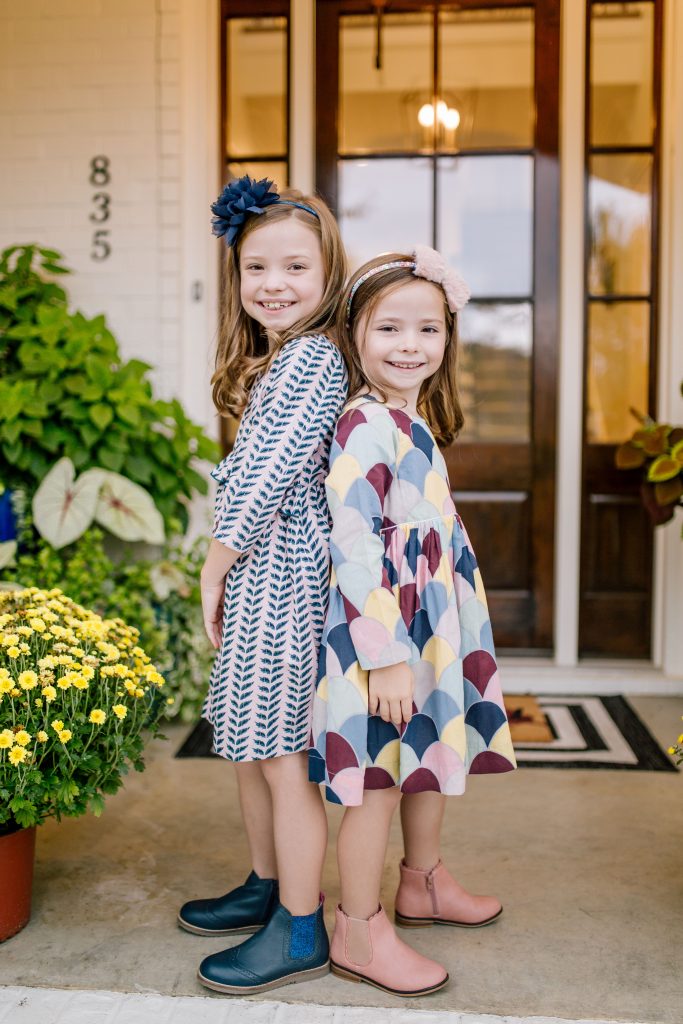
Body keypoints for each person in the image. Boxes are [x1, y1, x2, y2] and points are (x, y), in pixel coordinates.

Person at [309, 247, 517, 997]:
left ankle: (422, 882)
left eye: (426, 329)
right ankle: (358, 927)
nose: (409, 344)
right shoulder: (362, 423)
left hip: (429, 622)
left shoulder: (410, 415)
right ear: (354, 335)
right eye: (388, 327)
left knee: (424, 753)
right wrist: (385, 654)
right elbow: (355, 538)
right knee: (378, 777)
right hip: (388, 630)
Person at [178, 176, 348, 996]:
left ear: (327, 277)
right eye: (255, 268)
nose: (272, 284)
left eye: (293, 268)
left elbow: (268, 477)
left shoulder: (314, 355)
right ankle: (264, 880)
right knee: (248, 746)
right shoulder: (275, 358)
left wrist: (213, 565)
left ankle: (300, 923)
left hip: (284, 576)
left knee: (282, 756)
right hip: (259, 573)